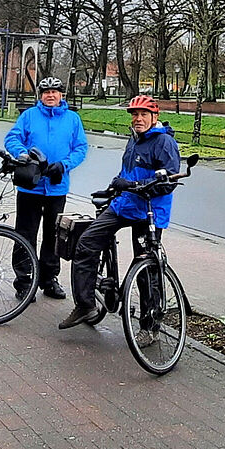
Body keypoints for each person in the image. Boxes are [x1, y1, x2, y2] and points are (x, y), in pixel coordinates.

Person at [59, 94, 180, 330]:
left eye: (143, 114)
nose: (138, 118)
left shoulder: (164, 142)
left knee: (146, 267)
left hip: (149, 211)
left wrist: (135, 186)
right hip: (123, 204)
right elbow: (128, 171)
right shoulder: (134, 139)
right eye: (135, 114)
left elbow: (169, 181)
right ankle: (85, 304)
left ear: (155, 117)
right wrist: (117, 183)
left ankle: (150, 325)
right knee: (86, 243)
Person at [3, 76, 88, 300]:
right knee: (25, 234)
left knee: (54, 236)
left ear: (61, 95)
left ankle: (49, 278)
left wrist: (64, 164)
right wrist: (23, 156)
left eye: (55, 91)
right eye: (46, 92)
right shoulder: (29, 116)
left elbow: (80, 148)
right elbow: (12, 138)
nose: (51, 95)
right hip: (30, 186)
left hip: (57, 187)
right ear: (40, 95)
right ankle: (24, 280)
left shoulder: (73, 119)